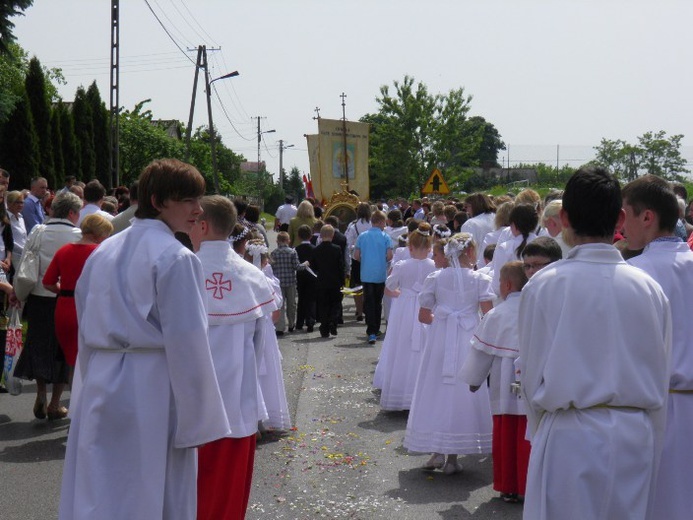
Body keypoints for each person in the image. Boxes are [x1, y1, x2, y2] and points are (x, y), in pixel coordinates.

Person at [59, 159, 230, 520]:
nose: (198, 210)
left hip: (101, 383)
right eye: (188, 200)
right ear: (158, 200)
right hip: (151, 388)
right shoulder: (176, 257)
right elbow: (189, 342)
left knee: (101, 487)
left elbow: (86, 327)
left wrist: (83, 391)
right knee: (152, 488)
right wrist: (200, 419)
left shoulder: (102, 251)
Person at [518, 166, 672, 520]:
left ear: (566, 217)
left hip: (569, 434)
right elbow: (660, 380)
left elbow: (531, 376)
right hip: (636, 436)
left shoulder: (544, 285)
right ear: (619, 218)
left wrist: (542, 433)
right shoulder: (649, 289)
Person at [189, 196, 277, 520]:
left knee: (188, 491)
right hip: (237, 405)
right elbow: (259, 347)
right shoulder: (253, 277)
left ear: (203, 224)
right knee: (227, 495)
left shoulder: (183, 269)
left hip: (189, 405)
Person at [621, 174, 693, 520]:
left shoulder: (633, 273)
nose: (621, 225)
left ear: (647, 217)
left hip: (655, 411)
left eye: (625, 215)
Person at [404, 233, 494, 474]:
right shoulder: (479, 279)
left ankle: (436, 452)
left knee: (436, 389)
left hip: (440, 339)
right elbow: (489, 315)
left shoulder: (435, 278)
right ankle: (452, 458)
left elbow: (423, 315)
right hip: (468, 338)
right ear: (470, 253)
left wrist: (442, 320)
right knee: (462, 391)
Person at [460, 261, 530, 503]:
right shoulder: (540, 309)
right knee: (529, 435)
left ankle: (508, 486)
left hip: (504, 382)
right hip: (533, 382)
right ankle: (531, 486)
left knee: (506, 433)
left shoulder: (497, 314)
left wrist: (473, 380)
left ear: (507, 285)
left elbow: (481, 353)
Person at [12, 192, 82, 420]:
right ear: (72, 212)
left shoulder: (38, 231)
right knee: (63, 350)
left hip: (38, 297)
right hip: (66, 299)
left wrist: (18, 292)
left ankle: (41, 392)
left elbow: (25, 263)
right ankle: (55, 403)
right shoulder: (78, 235)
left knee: (39, 345)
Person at [42, 214, 113, 383]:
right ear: (99, 233)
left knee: (70, 358)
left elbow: (48, 283)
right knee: (90, 360)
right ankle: (79, 403)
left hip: (65, 306)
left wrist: (64, 290)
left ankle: (63, 400)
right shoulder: (101, 252)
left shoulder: (64, 250)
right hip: (91, 308)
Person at [374, 222, 436, 409]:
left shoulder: (402, 265)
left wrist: (400, 294)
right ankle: (423, 391)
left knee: (401, 344)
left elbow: (389, 287)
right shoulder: (434, 265)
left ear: (410, 247)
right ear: (429, 247)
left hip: (404, 307)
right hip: (426, 307)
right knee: (424, 345)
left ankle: (400, 390)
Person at [244, 238, 292, 433]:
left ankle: (255, 418)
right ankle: (267, 415)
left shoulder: (245, 276)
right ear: (265, 259)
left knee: (254, 371)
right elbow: (276, 308)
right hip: (265, 329)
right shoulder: (268, 279)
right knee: (268, 371)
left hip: (250, 329)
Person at [353, 210, 393, 345]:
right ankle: (375, 329)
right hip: (380, 274)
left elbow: (356, 256)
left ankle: (371, 331)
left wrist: (366, 259)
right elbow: (389, 256)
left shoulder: (362, 236)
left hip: (366, 274)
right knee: (377, 303)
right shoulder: (385, 237)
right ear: (381, 222)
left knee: (368, 302)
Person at [490, 203, 538, 295]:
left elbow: (497, 283)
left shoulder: (505, 248)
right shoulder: (544, 244)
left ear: (513, 224)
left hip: (512, 298)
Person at [309, 224, 344, 338]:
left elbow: (313, 266)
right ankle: (333, 321)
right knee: (336, 303)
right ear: (333, 235)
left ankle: (324, 327)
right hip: (335, 281)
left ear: (321, 235)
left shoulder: (316, 250)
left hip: (322, 281)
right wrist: (342, 280)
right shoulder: (337, 249)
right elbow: (340, 266)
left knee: (323, 305)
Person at [270, 231, 301, 335]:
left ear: (277, 241)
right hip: (290, 281)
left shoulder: (274, 253)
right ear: (288, 240)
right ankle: (291, 324)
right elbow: (296, 267)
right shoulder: (292, 252)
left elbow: (272, 268)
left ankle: (280, 327)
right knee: (291, 304)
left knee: (280, 305)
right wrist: (305, 264)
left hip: (279, 283)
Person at [345, 202, 372, 321]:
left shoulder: (353, 226)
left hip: (357, 259)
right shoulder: (373, 225)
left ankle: (359, 311)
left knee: (357, 286)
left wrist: (355, 248)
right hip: (371, 259)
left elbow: (348, 243)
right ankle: (368, 308)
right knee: (369, 284)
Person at [461, 193, 496, 266]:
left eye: (466, 206)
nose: (466, 210)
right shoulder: (496, 218)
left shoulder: (470, 224)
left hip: (479, 265)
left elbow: (467, 250)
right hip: (499, 262)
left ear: (474, 206)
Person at [294, 224, 316, 333]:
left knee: (301, 299)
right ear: (311, 236)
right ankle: (310, 321)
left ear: (298, 236)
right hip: (312, 277)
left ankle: (299, 322)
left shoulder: (296, 249)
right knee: (311, 299)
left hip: (301, 276)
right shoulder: (315, 249)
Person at [6, 190, 26, 276]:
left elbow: (24, 237)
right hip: (11, 257)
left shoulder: (21, 218)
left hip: (23, 256)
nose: (20, 205)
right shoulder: (5, 218)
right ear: (9, 203)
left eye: (22, 202)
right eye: (17, 202)